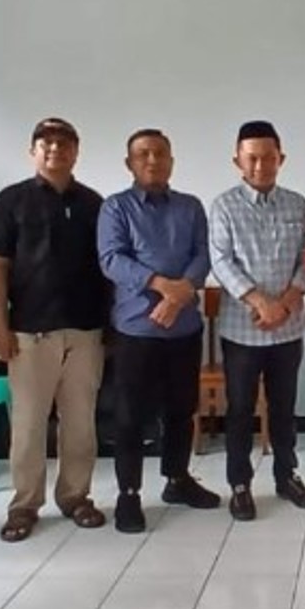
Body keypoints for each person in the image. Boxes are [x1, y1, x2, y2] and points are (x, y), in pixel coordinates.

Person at [0, 117, 108, 542]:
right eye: (46, 142)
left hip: (86, 329)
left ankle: (75, 497)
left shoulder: (93, 203)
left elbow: (105, 267)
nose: (55, 149)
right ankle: (24, 504)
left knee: (80, 422)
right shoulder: (11, 201)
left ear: (77, 151)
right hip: (29, 332)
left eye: (64, 143)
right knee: (29, 423)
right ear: (32, 150)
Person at [97, 128, 220, 534]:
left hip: (183, 328)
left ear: (171, 160)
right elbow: (112, 258)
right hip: (137, 331)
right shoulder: (116, 208)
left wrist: (180, 294)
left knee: (181, 410)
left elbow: (203, 253)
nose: (153, 160)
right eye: (143, 154)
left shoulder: (190, 207)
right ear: (130, 162)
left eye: (160, 153)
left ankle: (177, 479)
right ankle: (129, 494)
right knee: (131, 416)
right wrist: (162, 286)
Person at [209, 120, 305, 521]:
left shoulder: (298, 204)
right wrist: (260, 302)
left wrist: (287, 302)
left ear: (281, 159)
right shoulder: (224, 206)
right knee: (240, 410)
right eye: (252, 158)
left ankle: (286, 476)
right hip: (243, 328)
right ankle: (240, 484)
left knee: (284, 407)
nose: (260, 165)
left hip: (286, 327)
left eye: (268, 157)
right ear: (238, 160)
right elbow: (221, 260)